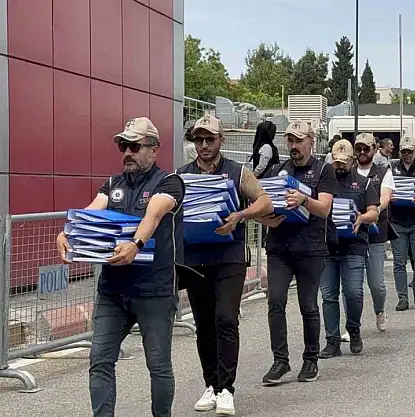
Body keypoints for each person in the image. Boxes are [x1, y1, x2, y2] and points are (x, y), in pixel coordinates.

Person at [55, 117, 186, 417]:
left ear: (154, 149)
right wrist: (69, 231)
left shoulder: (169, 182)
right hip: (113, 291)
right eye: (123, 146)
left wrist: (136, 244)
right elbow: (92, 211)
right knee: (100, 360)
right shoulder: (113, 184)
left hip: (154, 291)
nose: (127, 152)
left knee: (158, 365)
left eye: (134, 146)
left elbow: (153, 215)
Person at [177, 115, 273, 415]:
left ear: (222, 140)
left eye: (210, 139)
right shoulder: (181, 175)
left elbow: (265, 202)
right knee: (204, 324)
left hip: (229, 256)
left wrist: (241, 216)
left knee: (226, 319)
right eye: (199, 139)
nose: (204, 145)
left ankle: (227, 389)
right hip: (195, 258)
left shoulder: (237, 171)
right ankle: (211, 384)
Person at [258, 120, 336, 385]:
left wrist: (304, 199)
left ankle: (310, 359)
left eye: (299, 140)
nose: (294, 145)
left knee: (308, 305)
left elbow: (324, 208)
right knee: (275, 301)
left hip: (310, 248)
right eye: (290, 140)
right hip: (279, 248)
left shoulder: (324, 170)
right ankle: (280, 361)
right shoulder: (278, 170)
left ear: (311, 142)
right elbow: (263, 204)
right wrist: (265, 219)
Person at [318, 139, 379, 359]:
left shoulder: (363, 183)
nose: (340, 166)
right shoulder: (322, 183)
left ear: (352, 160)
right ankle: (332, 340)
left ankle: (353, 329)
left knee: (353, 292)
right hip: (327, 247)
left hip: (354, 245)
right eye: (336, 162)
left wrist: (362, 218)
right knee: (328, 295)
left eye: (344, 162)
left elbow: (374, 212)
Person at [353, 133, 394, 331]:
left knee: (376, 283)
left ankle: (379, 310)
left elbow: (385, 197)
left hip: (375, 232)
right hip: (352, 232)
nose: (362, 152)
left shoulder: (383, 172)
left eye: (366, 148)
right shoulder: (349, 171)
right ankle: (353, 324)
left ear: (374, 150)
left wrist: (373, 211)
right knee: (353, 285)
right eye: (358, 148)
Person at [388, 137, 415, 310]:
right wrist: (389, 196)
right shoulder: (391, 167)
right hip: (397, 219)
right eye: (404, 151)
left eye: (410, 151)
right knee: (399, 261)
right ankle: (402, 298)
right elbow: (386, 188)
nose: (407, 155)